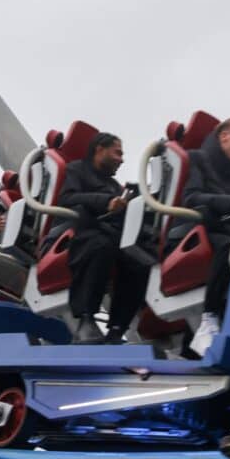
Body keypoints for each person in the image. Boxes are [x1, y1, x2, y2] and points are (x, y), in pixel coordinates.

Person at [171, 116, 230, 356]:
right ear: (224, 136)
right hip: (191, 235)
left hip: (226, 234)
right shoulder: (196, 159)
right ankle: (209, 319)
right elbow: (192, 198)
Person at [59, 132, 149, 344]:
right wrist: (106, 202)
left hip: (112, 233)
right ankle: (86, 320)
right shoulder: (76, 170)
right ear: (100, 149)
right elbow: (67, 198)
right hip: (83, 231)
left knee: (139, 259)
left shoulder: (114, 185)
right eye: (117, 152)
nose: (121, 159)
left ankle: (118, 328)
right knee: (100, 246)